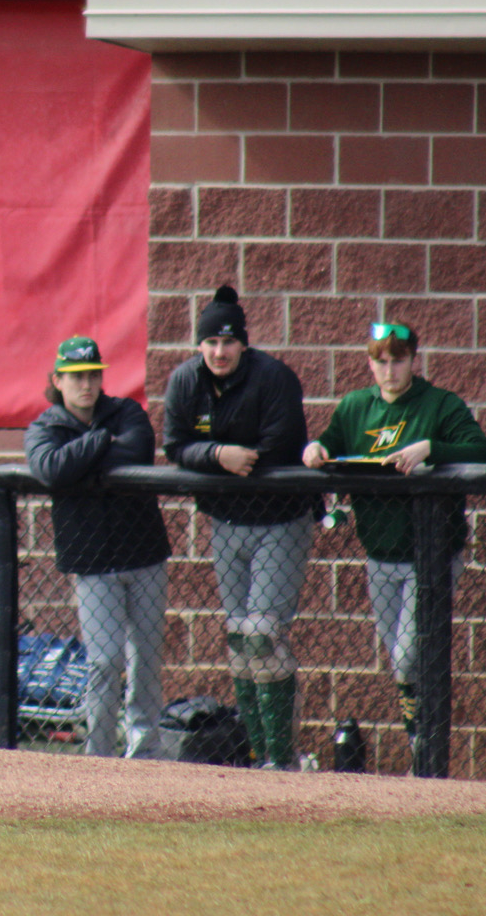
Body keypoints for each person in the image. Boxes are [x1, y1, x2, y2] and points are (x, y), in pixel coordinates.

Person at [303, 320, 486, 754]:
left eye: (398, 360)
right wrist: (313, 449)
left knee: (410, 656)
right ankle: (418, 743)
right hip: (379, 553)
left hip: (430, 555)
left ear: (413, 360)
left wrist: (430, 448)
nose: (389, 370)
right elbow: (328, 443)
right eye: (380, 361)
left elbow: (480, 450)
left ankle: (426, 744)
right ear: (370, 363)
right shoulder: (355, 406)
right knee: (402, 663)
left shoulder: (439, 404)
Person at [162, 284, 314, 771]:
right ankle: (256, 753)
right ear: (199, 345)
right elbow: (175, 445)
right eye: (211, 343)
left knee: (263, 635)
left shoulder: (274, 377)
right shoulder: (186, 381)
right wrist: (218, 455)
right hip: (225, 521)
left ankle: (281, 757)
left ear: (243, 343)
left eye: (228, 342)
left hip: (279, 519)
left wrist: (224, 457)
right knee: (239, 639)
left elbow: (278, 444)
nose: (220, 351)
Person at [23, 336, 168, 759]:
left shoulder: (126, 412)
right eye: (77, 377)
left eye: (93, 375)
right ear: (58, 380)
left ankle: (145, 753)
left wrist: (83, 457)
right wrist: (103, 442)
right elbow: (51, 468)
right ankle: (99, 756)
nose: (87, 385)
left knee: (145, 661)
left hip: (144, 554)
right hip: (92, 563)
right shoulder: (45, 426)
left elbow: (138, 450)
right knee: (103, 663)